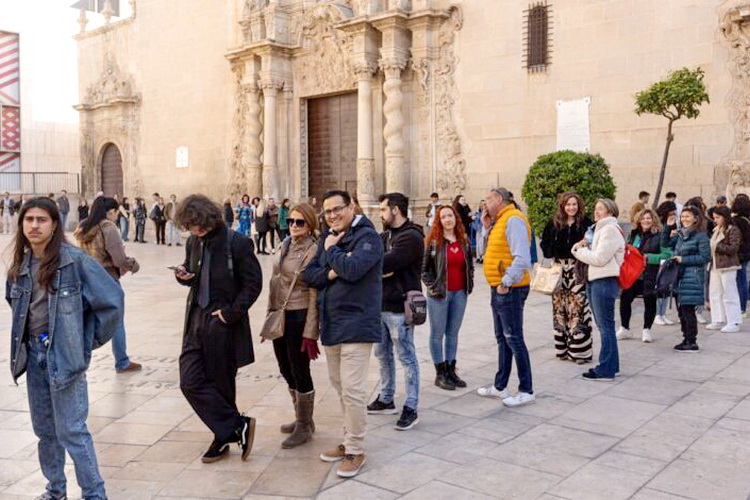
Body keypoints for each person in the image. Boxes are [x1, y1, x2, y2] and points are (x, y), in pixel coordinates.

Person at [7, 197, 124, 500]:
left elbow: (112, 302)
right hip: (33, 356)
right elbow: (16, 303)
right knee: (45, 431)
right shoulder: (20, 264)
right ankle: (55, 490)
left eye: (41, 219)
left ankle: (94, 494)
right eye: (28, 219)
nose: (34, 225)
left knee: (72, 430)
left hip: (64, 356)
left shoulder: (75, 260)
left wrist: (84, 343)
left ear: (55, 224)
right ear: (21, 225)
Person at [174, 194, 262, 464]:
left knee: (222, 384)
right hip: (195, 320)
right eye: (189, 226)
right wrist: (183, 277)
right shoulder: (193, 242)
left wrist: (229, 314)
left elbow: (253, 284)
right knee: (189, 381)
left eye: (196, 224)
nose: (194, 230)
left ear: (208, 218)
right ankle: (237, 425)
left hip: (222, 323)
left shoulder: (238, 243)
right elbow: (195, 275)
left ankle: (222, 436)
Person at [303, 189, 383, 478]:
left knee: (353, 390)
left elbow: (353, 268)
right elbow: (309, 275)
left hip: (358, 324)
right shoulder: (328, 238)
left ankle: (356, 450)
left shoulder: (368, 238)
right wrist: (332, 268)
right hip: (332, 324)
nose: (332, 215)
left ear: (352, 207)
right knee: (340, 387)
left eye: (338, 209)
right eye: (327, 212)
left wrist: (333, 253)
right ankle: (349, 438)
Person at [263, 203, 320, 449]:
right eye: (292, 221)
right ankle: (302, 418)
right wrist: (269, 315)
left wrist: (310, 331)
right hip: (281, 313)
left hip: (299, 315)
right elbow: (275, 282)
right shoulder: (285, 244)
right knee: (285, 367)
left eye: (300, 222)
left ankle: (305, 426)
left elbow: (314, 293)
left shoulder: (313, 250)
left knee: (299, 369)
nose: (294, 226)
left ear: (310, 225)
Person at [368, 193, 424, 431]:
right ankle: (386, 397)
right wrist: (378, 267)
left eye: (383, 209)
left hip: (400, 307)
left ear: (396, 210)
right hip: (380, 304)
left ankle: (411, 406)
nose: (380, 214)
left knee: (406, 357)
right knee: (382, 355)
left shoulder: (411, 237)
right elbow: (370, 259)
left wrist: (379, 266)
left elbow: (384, 263)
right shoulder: (386, 235)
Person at [476, 187, 535, 406]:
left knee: (514, 339)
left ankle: (526, 390)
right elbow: (482, 252)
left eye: (488, 199)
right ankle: (500, 386)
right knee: (503, 338)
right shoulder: (499, 220)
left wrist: (505, 282)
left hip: (509, 288)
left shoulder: (514, 220)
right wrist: (485, 227)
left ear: (499, 199)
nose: (485, 203)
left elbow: (522, 258)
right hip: (499, 286)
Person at [74, 196, 142, 374]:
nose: (116, 215)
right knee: (116, 320)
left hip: (86, 280)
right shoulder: (109, 228)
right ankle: (122, 362)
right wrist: (133, 263)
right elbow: (119, 259)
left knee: (87, 321)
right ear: (110, 212)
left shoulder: (83, 227)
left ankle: (79, 361)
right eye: (116, 212)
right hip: (107, 279)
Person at [572, 198, 625, 381]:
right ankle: (612, 365)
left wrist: (578, 251)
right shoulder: (599, 229)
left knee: (605, 327)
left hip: (604, 281)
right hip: (597, 280)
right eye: (595, 209)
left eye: (600, 209)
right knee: (605, 326)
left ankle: (606, 369)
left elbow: (599, 258)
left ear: (610, 212)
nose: (596, 212)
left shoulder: (609, 229)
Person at [422, 204, 474, 390]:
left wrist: (470, 285)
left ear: (455, 218)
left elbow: (470, 266)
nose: (448, 219)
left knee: (452, 333)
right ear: (439, 221)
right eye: (443, 217)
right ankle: (440, 373)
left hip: (460, 293)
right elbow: (424, 270)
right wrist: (434, 287)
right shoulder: (433, 242)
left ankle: (451, 370)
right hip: (439, 295)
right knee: (437, 334)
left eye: (450, 215)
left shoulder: (464, 241)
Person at [540, 192, 594, 363]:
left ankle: (579, 352)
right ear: (563, 206)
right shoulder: (553, 223)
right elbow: (545, 246)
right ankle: (562, 350)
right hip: (558, 270)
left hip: (577, 270)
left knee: (578, 308)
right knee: (560, 309)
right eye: (568, 204)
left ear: (579, 206)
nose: (571, 207)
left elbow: (592, 245)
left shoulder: (586, 224)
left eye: (574, 204)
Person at [617, 208, 672, 343]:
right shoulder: (634, 234)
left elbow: (667, 255)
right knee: (625, 299)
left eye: (648, 218)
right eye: (643, 218)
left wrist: (648, 257)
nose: (646, 221)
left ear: (653, 220)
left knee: (649, 300)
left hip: (650, 275)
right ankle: (625, 328)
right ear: (639, 220)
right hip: (633, 275)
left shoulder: (660, 235)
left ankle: (647, 329)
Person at [664, 206, 711, 352]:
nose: (684, 219)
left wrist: (683, 259)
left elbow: (705, 257)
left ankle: (692, 341)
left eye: (688, 216)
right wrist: (668, 227)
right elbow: (664, 244)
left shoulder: (701, 236)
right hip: (679, 277)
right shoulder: (680, 235)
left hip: (692, 277)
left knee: (688, 310)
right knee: (681, 311)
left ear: (696, 218)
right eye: (682, 216)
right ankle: (686, 338)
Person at [706, 206, 743, 333]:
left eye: (718, 217)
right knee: (715, 293)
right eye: (714, 217)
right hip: (715, 265)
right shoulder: (716, 229)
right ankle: (718, 319)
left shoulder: (733, 230)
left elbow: (733, 248)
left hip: (728, 265)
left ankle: (733, 321)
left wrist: (716, 246)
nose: (715, 220)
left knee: (729, 293)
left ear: (725, 217)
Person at [654, 201, 678, 325]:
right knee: (660, 286)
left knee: (667, 286)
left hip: (669, 257)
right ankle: (657, 314)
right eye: (671, 211)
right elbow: (663, 242)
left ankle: (662, 314)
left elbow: (671, 242)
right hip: (660, 257)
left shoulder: (672, 224)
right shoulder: (659, 224)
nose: (673, 214)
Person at [731, 194, 750, 317]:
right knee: (742, 280)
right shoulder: (747, 220)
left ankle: (741, 307)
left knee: (740, 280)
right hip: (746, 254)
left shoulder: (737, 221)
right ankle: (743, 307)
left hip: (739, 254)